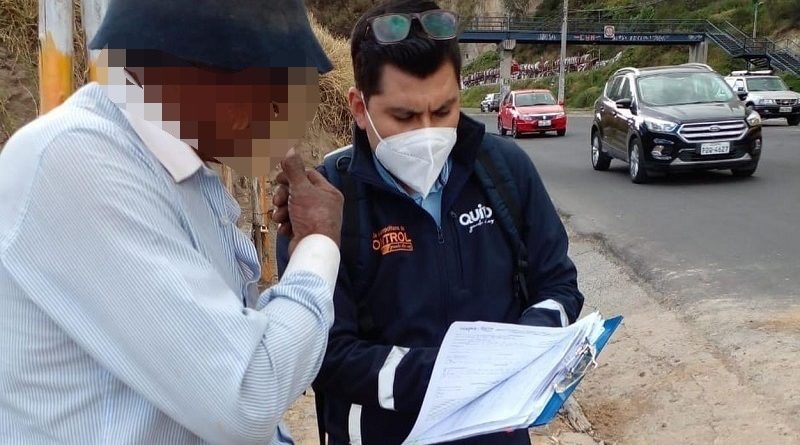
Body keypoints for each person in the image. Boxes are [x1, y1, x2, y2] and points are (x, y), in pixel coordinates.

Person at [0, 0, 344, 443]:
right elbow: (248, 394)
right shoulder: (78, 159)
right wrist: (318, 245)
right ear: (182, 68)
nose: (281, 107)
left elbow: (229, 366)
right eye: (271, 81)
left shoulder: (177, 172)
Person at [273, 1, 585, 444]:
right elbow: (324, 353)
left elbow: (558, 283)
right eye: (403, 117)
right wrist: (452, 376)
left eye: (443, 111)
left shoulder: (505, 170)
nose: (427, 132)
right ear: (359, 107)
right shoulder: (324, 205)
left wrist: (529, 344)